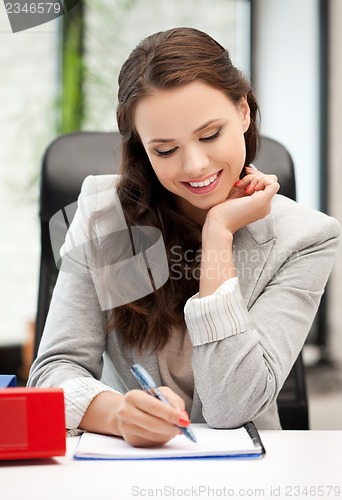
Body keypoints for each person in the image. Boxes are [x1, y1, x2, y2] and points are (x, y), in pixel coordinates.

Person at [28, 27, 340, 447]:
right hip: (125, 464)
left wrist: (218, 234)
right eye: (165, 150)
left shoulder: (307, 237)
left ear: (244, 112)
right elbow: (53, 371)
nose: (195, 165)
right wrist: (119, 414)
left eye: (210, 135)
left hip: (251, 474)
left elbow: (231, 407)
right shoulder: (106, 215)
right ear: (142, 147)